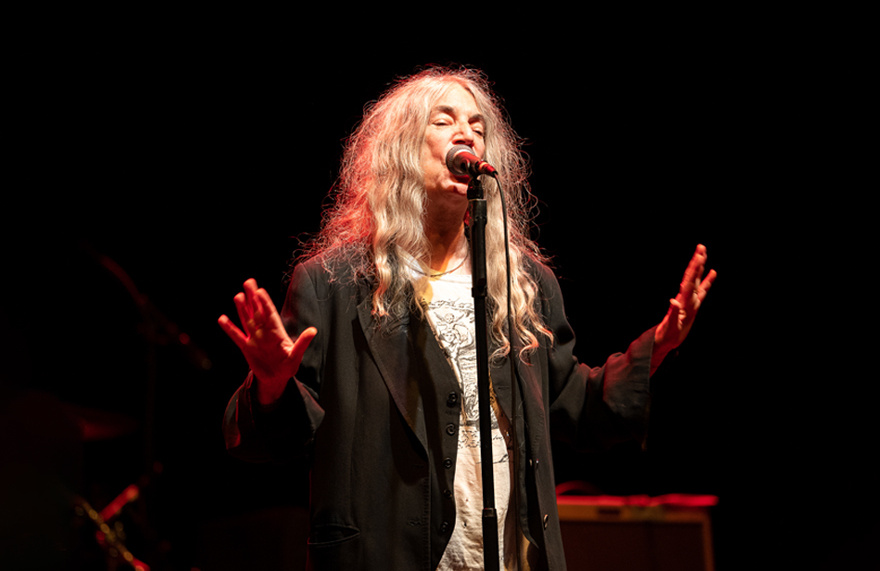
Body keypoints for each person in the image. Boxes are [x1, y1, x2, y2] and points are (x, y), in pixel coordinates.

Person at [218, 66, 716, 570]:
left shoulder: (524, 285)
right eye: (444, 121)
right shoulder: (335, 284)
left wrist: (660, 344)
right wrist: (272, 385)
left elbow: (573, 405)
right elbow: (273, 441)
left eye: (478, 126)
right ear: (402, 149)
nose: (467, 134)